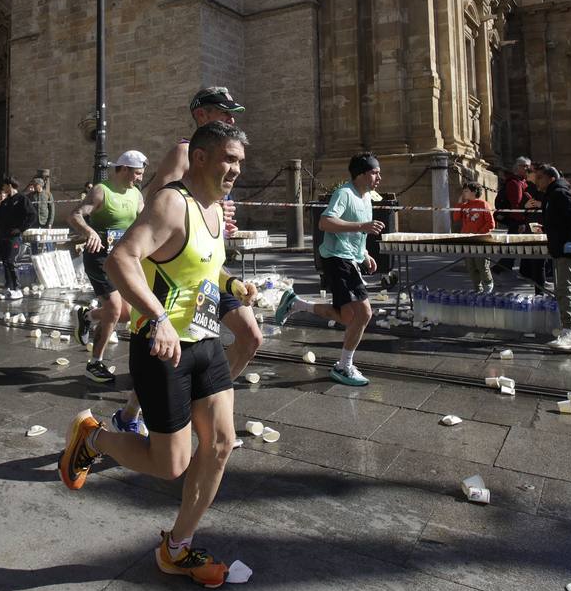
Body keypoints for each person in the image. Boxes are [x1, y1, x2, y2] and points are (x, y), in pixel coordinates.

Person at [59, 121, 253, 588]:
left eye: (240, 162)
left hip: (204, 342)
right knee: (171, 464)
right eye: (229, 159)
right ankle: (93, 438)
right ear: (201, 158)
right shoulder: (171, 203)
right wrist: (158, 317)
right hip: (161, 347)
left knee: (222, 444)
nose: (236, 170)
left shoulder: (214, 207)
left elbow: (203, 263)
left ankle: (177, 548)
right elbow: (121, 258)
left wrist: (229, 284)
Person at [147, 87, 263, 382]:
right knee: (175, 352)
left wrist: (219, 219)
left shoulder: (224, 156)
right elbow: (157, 206)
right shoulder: (183, 152)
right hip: (179, 273)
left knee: (251, 338)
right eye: (226, 113)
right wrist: (203, 211)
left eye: (233, 116)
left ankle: (210, 394)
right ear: (202, 114)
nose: (232, 121)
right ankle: (135, 410)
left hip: (212, 268)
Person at [274, 152, 383, 386]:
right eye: (374, 172)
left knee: (347, 317)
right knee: (363, 314)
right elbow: (325, 222)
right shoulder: (344, 193)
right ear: (361, 174)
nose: (379, 177)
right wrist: (363, 225)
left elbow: (357, 235)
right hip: (337, 259)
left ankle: (296, 304)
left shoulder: (366, 198)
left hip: (350, 260)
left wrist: (364, 254)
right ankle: (344, 366)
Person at [71, 150, 147, 388]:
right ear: (123, 169)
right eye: (136, 174)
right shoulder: (101, 190)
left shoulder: (136, 194)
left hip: (123, 259)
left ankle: (88, 316)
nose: (139, 179)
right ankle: (95, 363)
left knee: (124, 315)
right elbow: (75, 215)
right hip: (99, 257)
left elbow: (146, 223)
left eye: (141, 174)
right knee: (114, 308)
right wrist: (90, 231)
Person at [529, 164, 571, 351]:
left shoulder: (560, 193)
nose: (536, 180)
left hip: (568, 250)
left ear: (551, 179)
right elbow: (561, 220)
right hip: (561, 247)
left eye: (540, 177)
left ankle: (568, 332)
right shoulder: (552, 194)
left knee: (565, 289)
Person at [0, 177, 31, 299]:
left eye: (4, 186)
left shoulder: (22, 199)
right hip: (2, 236)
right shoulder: (6, 202)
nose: (2, 188)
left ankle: (17, 288)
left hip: (14, 237)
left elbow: (32, 215)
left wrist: (20, 229)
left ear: (9, 185)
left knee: (10, 261)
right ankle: (8, 287)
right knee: (5, 262)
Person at [456, 182, 495, 292]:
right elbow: (455, 217)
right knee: (470, 266)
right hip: (467, 240)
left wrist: (478, 233)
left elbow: (491, 224)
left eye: (466, 191)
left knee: (481, 265)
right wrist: (459, 203)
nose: (464, 193)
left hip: (480, 240)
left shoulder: (484, 205)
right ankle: (477, 289)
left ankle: (488, 286)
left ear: (474, 192)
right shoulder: (465, 205)